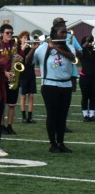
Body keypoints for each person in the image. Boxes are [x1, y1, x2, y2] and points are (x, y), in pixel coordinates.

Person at [28, 23, 75, 153]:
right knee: (52, 115)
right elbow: (28, 62)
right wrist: (33, 48)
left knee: (62, 115)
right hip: (50, 85)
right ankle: (52, 144)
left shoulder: (69, 46)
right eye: (62, 33)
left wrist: (56, 47)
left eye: (66, 33)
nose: (65, 35)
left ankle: (61, 142)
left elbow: (73, 58)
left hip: (66, 85)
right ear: (55, 34)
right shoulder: (43, 48)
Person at [0, 23, 21, 135]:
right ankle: (1, 125)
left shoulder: (15, 44)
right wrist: (4, 72)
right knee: (2, 103)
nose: (10, 35)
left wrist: (20, 58)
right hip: (2, 77)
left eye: (11, 33)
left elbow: (21, 58)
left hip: (13, 76)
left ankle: (10, 125)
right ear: (2, 33)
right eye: (7, 33)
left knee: (12, 104)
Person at [17, 30, 38, 123]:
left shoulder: (31, 49)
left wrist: (34, 47)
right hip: (22, 74)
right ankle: (23, 117)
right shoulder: (18, 49)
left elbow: (34, 60)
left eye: (27, 38)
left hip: (31, 73)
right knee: (23, 96)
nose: (26, 39)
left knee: (31, 95)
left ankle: (30, 116)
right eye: (24, 37)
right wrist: (23, 48)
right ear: (20, 39)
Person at [79, 36, 95, 122]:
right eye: (88, 41)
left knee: (93, 97)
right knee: (85, 97)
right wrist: (86, 41)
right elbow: (80, 49)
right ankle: (85, 115)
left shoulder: (94, 51)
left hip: (94, 77)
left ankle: (92, 115)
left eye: (90, 41)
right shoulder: (82, 51)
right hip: (84, 77)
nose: (90, 42)